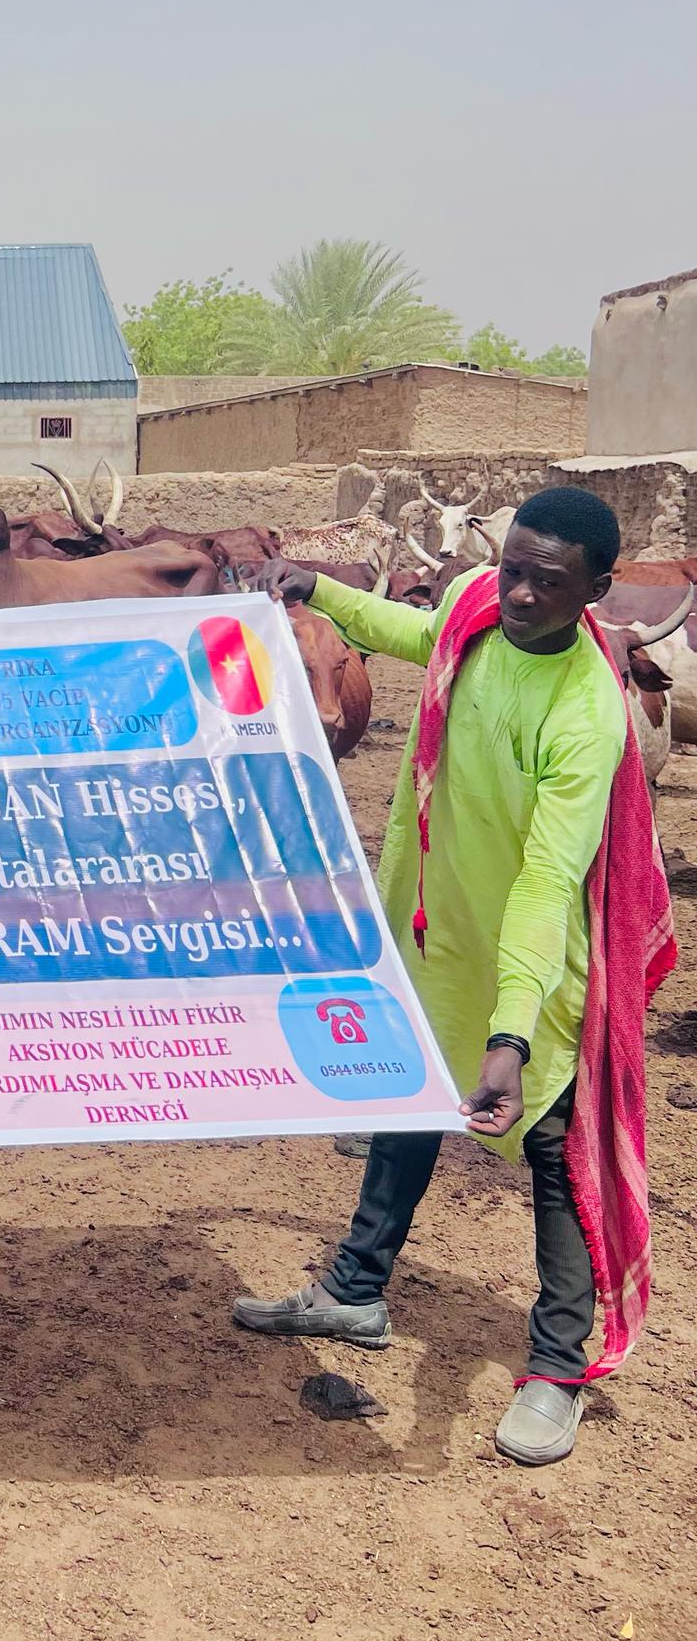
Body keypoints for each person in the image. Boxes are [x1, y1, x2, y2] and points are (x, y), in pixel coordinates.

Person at [233, 485, 675, 1466]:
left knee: (554, 1150)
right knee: (408, 1095)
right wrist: (320, 593)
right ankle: (355, 1289)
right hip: (440, 922)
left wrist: (511, 1034)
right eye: (512, 570)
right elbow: (423, 633)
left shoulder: (585, 716)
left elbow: (547, 884)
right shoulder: (478, 603)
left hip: (533, 961)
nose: (517, 595)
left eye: (546, 583)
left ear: (596, 589)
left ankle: (556, 1368)